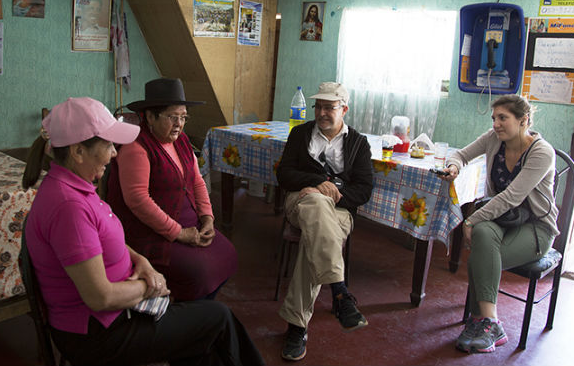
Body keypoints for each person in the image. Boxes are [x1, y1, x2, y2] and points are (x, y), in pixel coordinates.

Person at [22, 97, 265, 365]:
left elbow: (98, 240)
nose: (115, 153)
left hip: (114, 316)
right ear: (78, 151)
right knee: (218, 319)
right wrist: (149, 287)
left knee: (203, 341)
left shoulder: (74, 187)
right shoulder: (69, 207)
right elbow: (100, 297)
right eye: (108, 145)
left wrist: (141, 261)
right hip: (101, 334)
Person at [440, 94, 558, 354]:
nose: (496, 124)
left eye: (503, 118)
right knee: (482, 235)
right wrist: (454, 167)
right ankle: (490, 323)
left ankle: (481, 320)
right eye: (494, 118)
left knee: (481, 254)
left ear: (523, 120)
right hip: (503, 219)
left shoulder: (541, 151)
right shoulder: (495, 139)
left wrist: (470, 218)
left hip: (536, 227)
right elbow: (460, 154)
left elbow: (512, 196)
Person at [106, 78, 238, 302]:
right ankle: (182, 313)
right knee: (199, 272)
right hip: (151, 233)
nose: (179, 123)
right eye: (172, 117)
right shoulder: (136, 147)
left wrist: (207, 218)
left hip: (188, 223)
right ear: (149, 116)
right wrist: (179, 233)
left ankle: (198, 309)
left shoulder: (181, 141)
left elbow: (196, 180)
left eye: (183, 117)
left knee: (228, 256)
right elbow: (138, 200)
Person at [276, 82, 373, 361]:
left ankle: (297, 326)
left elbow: (364, 189)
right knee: (316, 205)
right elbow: (284, 175)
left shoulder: (358, 143)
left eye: (329, 107)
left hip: (339, 211)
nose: (321, 112)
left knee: (313, 242)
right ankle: (340, 291)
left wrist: (335, 196)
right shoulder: (300, 134)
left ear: (344, 109)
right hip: (301, 201)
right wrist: (318, 183)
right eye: (318, 106)